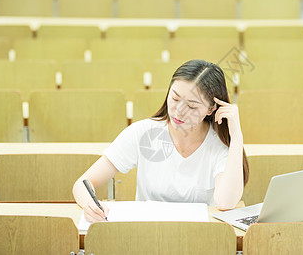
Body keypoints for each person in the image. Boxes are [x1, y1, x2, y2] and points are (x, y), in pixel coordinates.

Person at [73, 59, 249, 222]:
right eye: (175, 98)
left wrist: (237, 137)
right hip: (147, 237)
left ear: (211, 109)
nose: (179, 111)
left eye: (192, 106)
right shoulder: (143, 133)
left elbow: (226, 203)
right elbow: (82, 184)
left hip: (197, 239)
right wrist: (90, 205)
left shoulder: (219, 144)